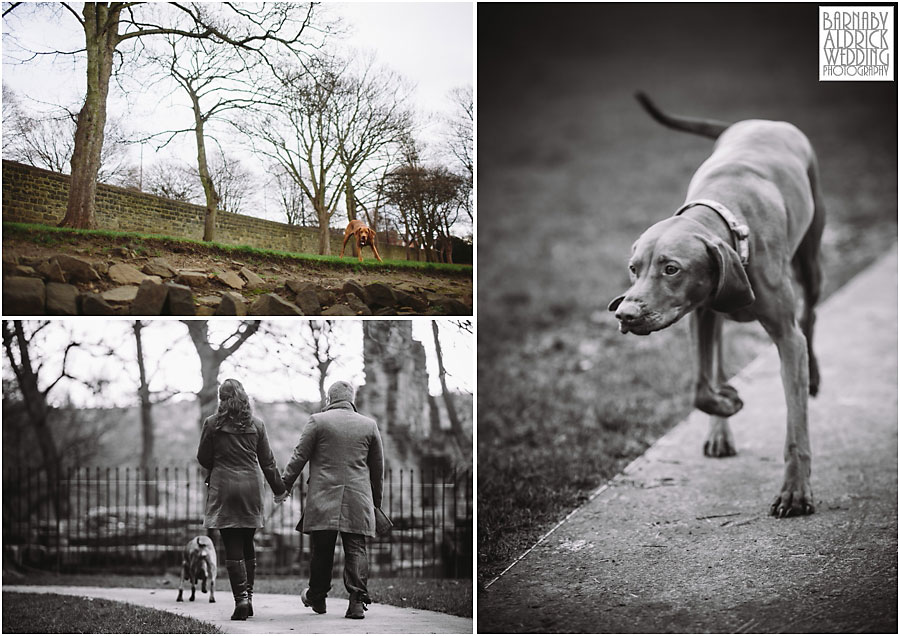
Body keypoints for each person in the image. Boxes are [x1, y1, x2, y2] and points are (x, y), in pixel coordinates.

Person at [278, 380, 384, 619]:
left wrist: (283, 486)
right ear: (352, 399)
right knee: (356, 548)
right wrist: (375, 502)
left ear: (329, 399)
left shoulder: (318, 421)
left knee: (322, 550)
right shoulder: (369, 425)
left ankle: (318, 596)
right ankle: (356, 602)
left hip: (323, 496)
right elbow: (378, 469)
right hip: (358, 497)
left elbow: (299, 457)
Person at [197, 378, 285, 621]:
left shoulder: (212, 424)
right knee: (247, 540)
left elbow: (203, 458)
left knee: (232, 542)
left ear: (222, 400)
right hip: (251, 488)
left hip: (224, 487)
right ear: (244, 397)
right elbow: (268, 462)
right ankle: (249, 598)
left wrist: (219, 460)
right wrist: (279, 489)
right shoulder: (256, 425)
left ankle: (241, 600)